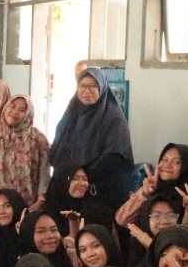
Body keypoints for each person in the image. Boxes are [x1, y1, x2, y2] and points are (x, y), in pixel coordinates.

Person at [48, 67, 133, 204]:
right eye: (82, 86)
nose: (87, 91)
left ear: (102, 88)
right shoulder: (72, 113)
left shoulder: (114, 118)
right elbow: (58, 150)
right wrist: (70, 175)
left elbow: (115, 158)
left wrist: (83, 175)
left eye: (93, 86)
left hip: (101, 190)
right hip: (69, 187)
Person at [0, 93, 50, 207]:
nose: (15, 112)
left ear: (28, 114)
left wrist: (41, 200)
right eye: (12, 106)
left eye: (22, 110)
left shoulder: (37, 138)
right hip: (2, 204)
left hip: (29, 203)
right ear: (6, 107)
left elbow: (44, 172)